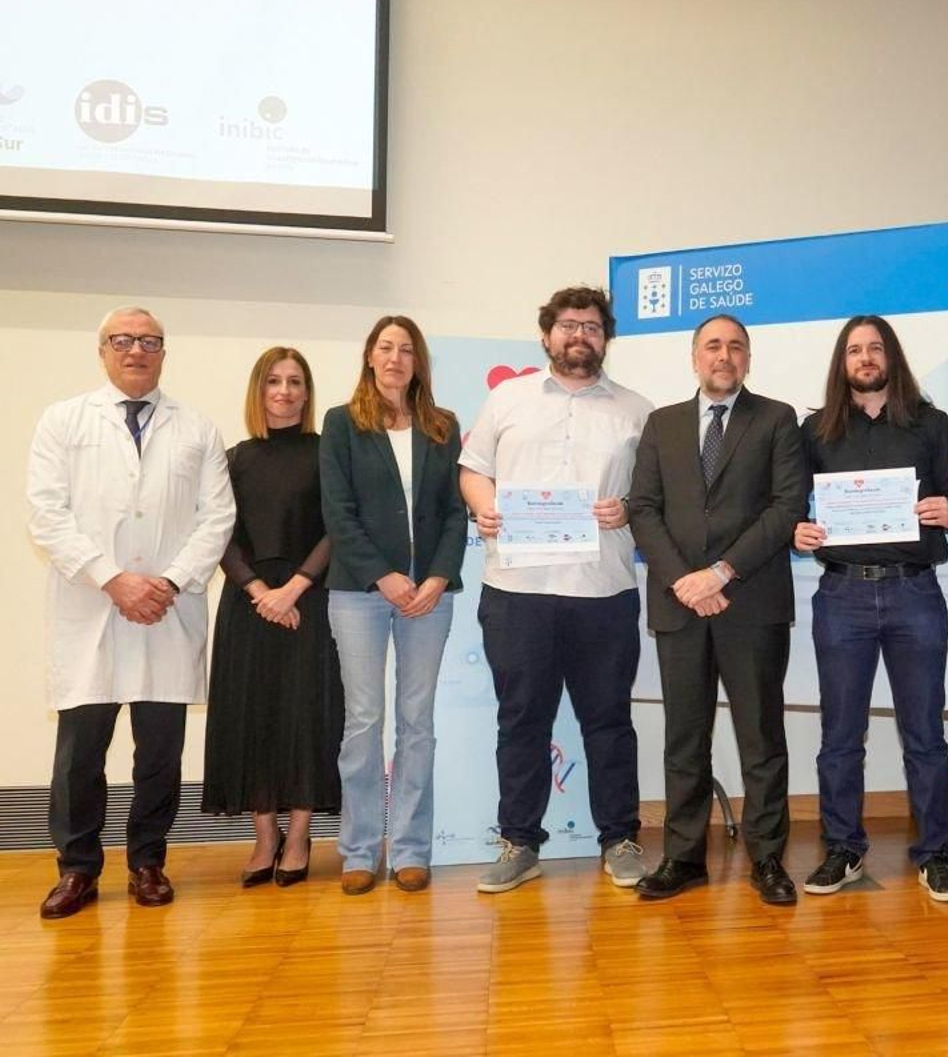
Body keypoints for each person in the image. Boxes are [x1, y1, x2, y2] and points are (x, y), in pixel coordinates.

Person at [28, 307, 235, 919]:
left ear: (164, 353)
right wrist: (112, 579)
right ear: (103, 350)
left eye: (149, 342)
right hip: (90, 606)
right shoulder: (64, 421)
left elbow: (216, 517)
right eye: (124, 340)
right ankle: (77, 869)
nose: (136, 351)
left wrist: (165, 582)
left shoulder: (196, 428)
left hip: (168, 611)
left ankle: (148, 861)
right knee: (80, 755)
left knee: (160, 753)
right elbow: (46, 512)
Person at [458, 286, 653, 893]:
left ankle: (619, 838)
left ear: (606, 338)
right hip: (518, 590)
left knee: (609, 721)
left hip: (604, 590)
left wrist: (629, 509)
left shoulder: (637, 410)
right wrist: (485, 509)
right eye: (568, 325)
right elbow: (473, 470)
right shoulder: (507, 398)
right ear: (547, 335)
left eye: (592, 327)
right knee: (522, 720)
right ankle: (519, 843)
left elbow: (656, 495)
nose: (579, 336)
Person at [628, 314, 808, 904]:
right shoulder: (661, 424)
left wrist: (721, 571)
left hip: (750, 600)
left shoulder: (778, 419)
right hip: (681, 605)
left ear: (748, 359)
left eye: (735, 347)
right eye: (713, 346)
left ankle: (767, 860)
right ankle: (683, 858)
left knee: (760, 736)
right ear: (694, 357)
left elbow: (786, 508)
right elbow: (645, 510)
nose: (723, 356)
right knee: (684, 737)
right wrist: (686, 580)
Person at [792, 314, 948, 902]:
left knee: (926, 736)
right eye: (853, 351)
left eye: (874, 348)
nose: (865, 358)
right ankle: (843, 850)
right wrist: (799, 529)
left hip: (914, 591)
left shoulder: (930, 422)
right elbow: (789, 502)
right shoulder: (815, 429)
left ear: (891, 356)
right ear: (842, 364)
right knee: (841, 736)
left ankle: (936, 856)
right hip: (841, 594)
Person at [320, 315, 466, 896]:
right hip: (360, 592)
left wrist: (436, 576)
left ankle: (409, 849)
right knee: (363, 722)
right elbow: (338, 512)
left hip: (428, 594)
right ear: (369, 356)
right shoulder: (341, 423)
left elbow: (456, 513)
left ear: (418, 362)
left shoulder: (441, 426)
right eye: (386, 347)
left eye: (406, 349)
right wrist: (383, 576)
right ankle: (358, 850)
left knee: (416, 724)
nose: (395, 358)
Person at [202, 347, 343, 888]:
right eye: (274, 382)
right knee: (254, 715)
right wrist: (260, 591)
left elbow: (338, 526)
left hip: (310, 597)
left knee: (306, 715)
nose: (284, 391)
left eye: (295, 382)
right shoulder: (234, 458)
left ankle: (300, 835)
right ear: (258, 391)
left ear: (307, 393)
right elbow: (220, 533)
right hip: (249, 602)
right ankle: (264, 838)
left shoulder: (328, 452)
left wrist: (295, 588)